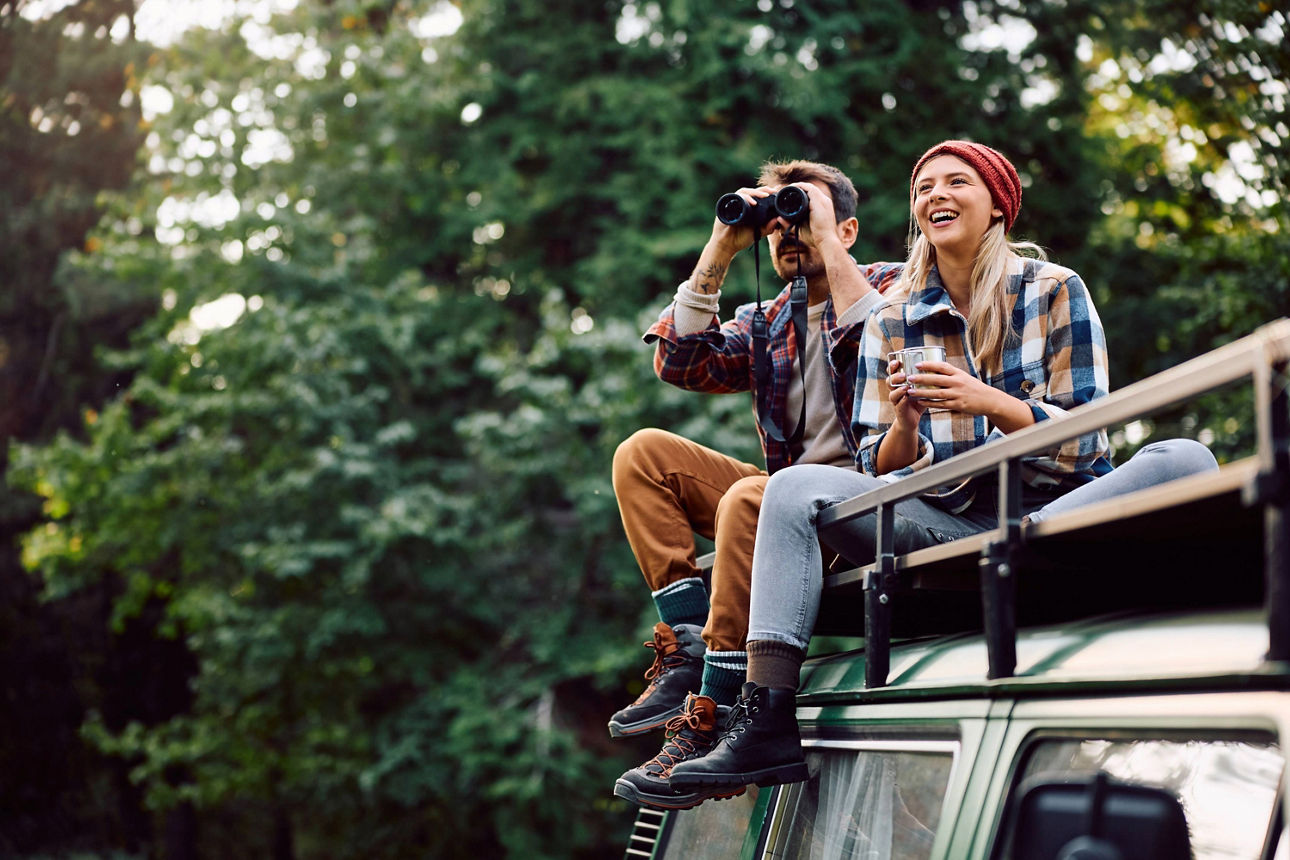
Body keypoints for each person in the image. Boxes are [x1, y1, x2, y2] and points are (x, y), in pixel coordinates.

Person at [666, 140, 1219, 799]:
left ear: (996, 207)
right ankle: (763, 718)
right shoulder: (893, 317)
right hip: (948, 524)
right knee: (791, 487)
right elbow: (881, 465)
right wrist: (903, 423)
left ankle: (1016, 552)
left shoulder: (1053, 290)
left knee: (1186, 457)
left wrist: (992, 403)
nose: (935, 195)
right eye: (923, 187)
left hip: (1056, 515)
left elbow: (1085, 444)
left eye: (957, 182)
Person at [609, 160, 902, 810]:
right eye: (778, 225)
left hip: (872, 507)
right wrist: (724, 242)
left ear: (848, 228)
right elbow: (677, 361)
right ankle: (688, 649)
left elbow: (884, 334)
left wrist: (821, 237)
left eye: (805, 215)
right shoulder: (770, 319)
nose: (789, 233)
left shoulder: (895, 285)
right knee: (643, 454)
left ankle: (707, 712)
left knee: (761, 493)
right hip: (786, 508)